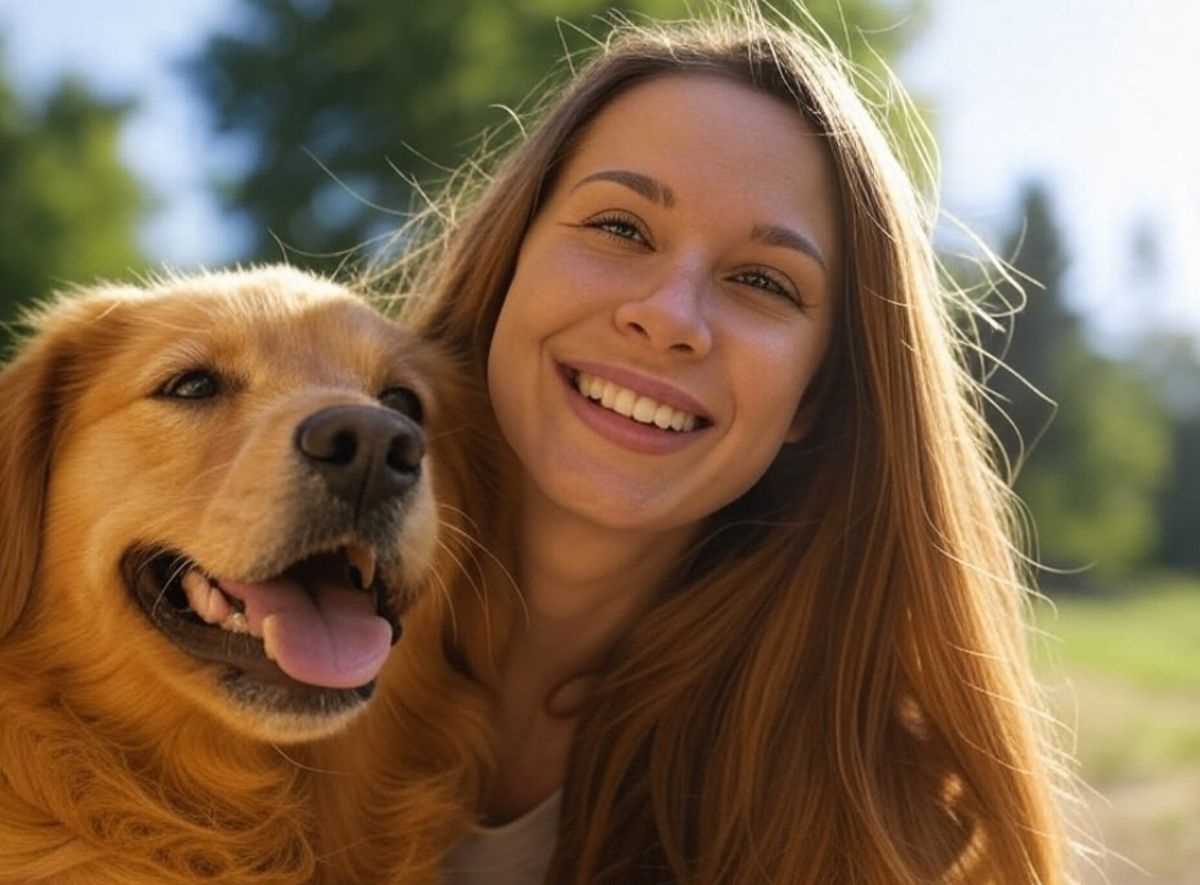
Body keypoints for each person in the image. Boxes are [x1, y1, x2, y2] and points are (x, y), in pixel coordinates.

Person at [392, 5, 1078, 883]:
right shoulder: (228, 599)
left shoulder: (878, 818)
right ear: (509, 265)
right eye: (621, 227)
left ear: (814, 396)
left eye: (762, 281)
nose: (668, 317)